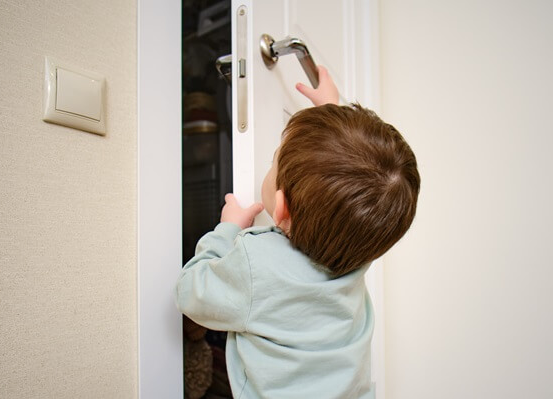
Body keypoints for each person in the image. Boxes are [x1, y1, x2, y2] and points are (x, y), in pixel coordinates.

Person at [175, 66, 420, 399]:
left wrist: (226, 229)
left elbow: (191, 292)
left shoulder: (254, 264)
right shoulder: (354, 253)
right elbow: (349, 194)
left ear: (281, 210)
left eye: (274, 160)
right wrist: (330, 111)